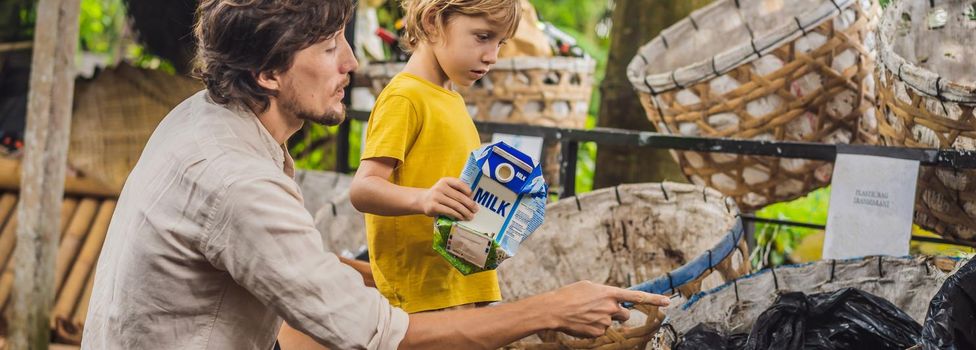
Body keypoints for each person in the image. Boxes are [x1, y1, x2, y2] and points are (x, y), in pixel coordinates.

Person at [81, 0, 669, 349]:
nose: (352, 63)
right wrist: (549, 310)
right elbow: (379, 336)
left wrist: (396, 276)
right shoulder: (237, 182)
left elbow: (282, 262)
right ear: (267, 72)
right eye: (329, 47)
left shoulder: (204, 119)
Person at [349, 0, 518, 313]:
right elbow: (363, 189)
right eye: (482, 37)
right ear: (431, 22)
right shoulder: (405, 97)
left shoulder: (451, 99)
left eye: (500, 43)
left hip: (462, 284)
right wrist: (423, 199)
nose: (492, 56)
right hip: (422, 294)